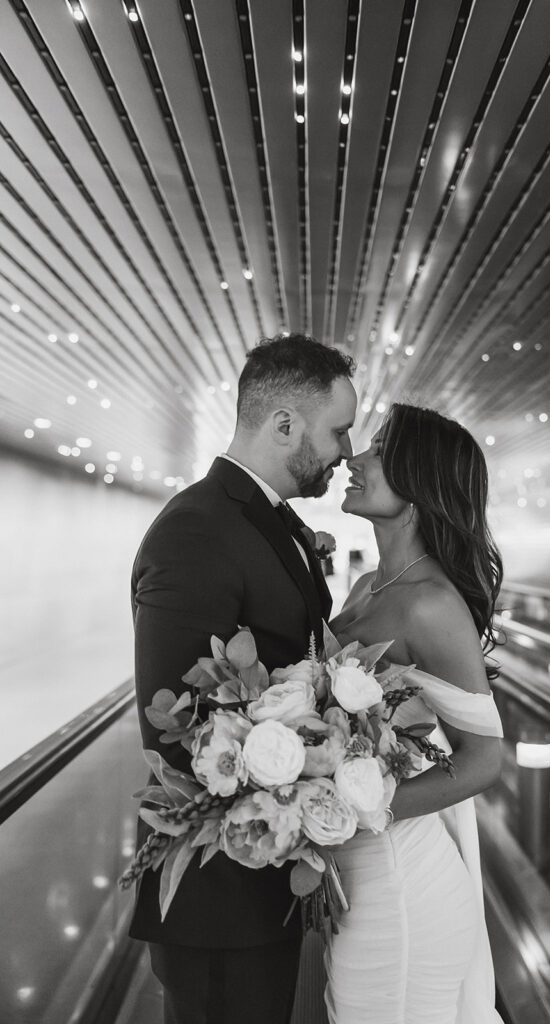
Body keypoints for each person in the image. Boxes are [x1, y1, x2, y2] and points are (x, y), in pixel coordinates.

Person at [129, 334, 357, 1024]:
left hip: (260, 880)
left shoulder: (268, 522)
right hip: (217, 899)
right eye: (338, 430)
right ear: (284, 423)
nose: (346, 450)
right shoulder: (197, 530)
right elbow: (177, 726)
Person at [326, 402, 504, 1024]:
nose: (354, 458)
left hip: (399, 886)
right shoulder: (367, 587)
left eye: (377, 450)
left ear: (419, 480)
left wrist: (360, 814)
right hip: (354, 874)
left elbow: (483, 760)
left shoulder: (430, 604)